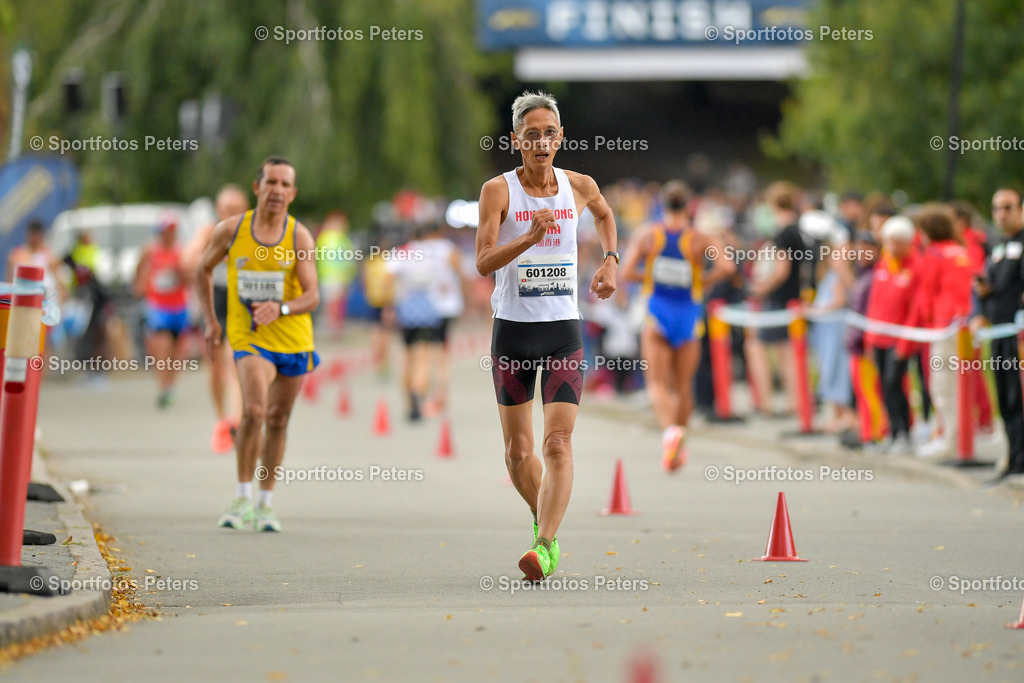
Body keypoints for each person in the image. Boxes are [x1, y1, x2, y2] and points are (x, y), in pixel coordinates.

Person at [476, 91, 618, 581]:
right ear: (516, 140)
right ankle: (545, 518)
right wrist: (528, 240)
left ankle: (543, 545)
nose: (541, 142)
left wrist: (610, 260)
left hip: (563, 332)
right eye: (531, 134)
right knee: (519, 453)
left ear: (561, 138)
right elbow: (482, 262)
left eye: (549, 133)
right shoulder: (498, 191)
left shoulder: (578, 185)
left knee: (558, 443)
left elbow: (604, 213)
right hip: (513, 333)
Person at [197, 156, 320, 532]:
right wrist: (210, 321)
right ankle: (241, 495)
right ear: (257, 188)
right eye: (271, 183)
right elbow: (203, 268)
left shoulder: (299, 236)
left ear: (293, 194)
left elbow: (313, 296)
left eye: (285, 185)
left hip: (293, 338)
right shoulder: (232, 230)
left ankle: (266, 502)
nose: (277, 191)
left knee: (278, 420)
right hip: (249, 336)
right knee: (252, 410)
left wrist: (281, 307)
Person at [621, 180, 734, 471]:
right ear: (688, 206)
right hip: (689, 314)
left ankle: (669, 432)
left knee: (657, 382)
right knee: (683, 383)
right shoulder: (700, 238)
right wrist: (701, 281)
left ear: (662, 203)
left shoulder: (648, 234)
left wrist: (652, 278)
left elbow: (627, 270)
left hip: (658, 312)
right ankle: (679, 440)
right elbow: (727, 267)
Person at [183, 185, 249, 453]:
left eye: (237, 210)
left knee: (236, 364)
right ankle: (222, 419)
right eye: (227, 210)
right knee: (215, 368)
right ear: (218, 210)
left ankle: (236, 423)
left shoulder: (252, 232)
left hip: (241, 299)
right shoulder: (209, 231)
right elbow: (187, 262)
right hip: (214, 301)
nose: (231, 214)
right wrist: (211, 256)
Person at [905, 205, 973, 458]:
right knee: (960, 385)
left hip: (944, 326)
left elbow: (926, 292)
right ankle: (955, 435)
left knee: (943, 384)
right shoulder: (960, 250)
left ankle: (950, 439)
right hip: (963, 324)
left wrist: (927, 319)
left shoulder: (934, 254)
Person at [972, 188, 1024, 483]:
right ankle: (1015, 457)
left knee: (1018, 396)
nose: (1001, 214)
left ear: (1020, 209)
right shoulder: (997, 247)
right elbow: (994, 287)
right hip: (999, 332)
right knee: (1005, 396)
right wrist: (983, 297)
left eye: (1008, 207)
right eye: (996, 208)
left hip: (1018, 335)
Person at [747, 181, 805, 417]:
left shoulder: (784, 233)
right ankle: (794, 401)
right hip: (791, 298)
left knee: (758, 347)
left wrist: (761, 289)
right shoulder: (797, 230)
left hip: (779, 299)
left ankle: (768, 402)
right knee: (786, 352)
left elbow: (781, 270)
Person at [864, 216, 919, 454]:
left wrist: (906, 340)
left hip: (900, 338)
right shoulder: (883, 265)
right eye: (890, 242)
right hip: (879, 337)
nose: (893, 247)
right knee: (884, 386)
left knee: (895, 383)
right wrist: (869, 335)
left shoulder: (915, 267)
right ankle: (892, 432)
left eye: (898, 242)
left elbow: (915, 307)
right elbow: (875, 301)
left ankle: (904, 433)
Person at [134, 214, 189, 408]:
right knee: (162, 347)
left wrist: (179, 272)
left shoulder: (182, 252)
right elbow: (139, 269)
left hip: (179, 306)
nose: (167, 235)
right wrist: (139, 284)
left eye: (170, 231)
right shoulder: (150, 250)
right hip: (158, 306)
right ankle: (163, 386)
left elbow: (188, 277)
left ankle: (171, 386)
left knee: (177, 351)